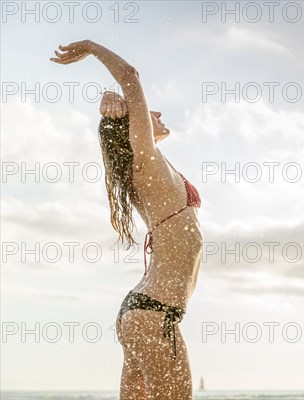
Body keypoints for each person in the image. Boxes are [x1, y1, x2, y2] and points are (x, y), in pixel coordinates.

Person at [51, 40, 203, 399]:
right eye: (148, 114)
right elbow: (130, 77)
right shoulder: (145, 160)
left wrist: (110, 114)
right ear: (134, 130)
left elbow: (124, 114)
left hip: (141, 313)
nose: (157, 113)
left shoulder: (149, 171)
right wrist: (91, 48)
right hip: (155, 314)